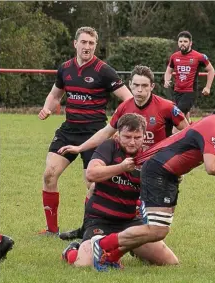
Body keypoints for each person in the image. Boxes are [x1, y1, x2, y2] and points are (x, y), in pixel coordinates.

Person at [88, 89, 215, 270]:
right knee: (157, 230)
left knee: (158, 232)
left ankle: (111, 254)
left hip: (168, 173)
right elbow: (212, 167)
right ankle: (104, 247)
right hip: (158, 171)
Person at [57, 65, 189, 240]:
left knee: (157, 211)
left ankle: (141, 239)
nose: (139, 90)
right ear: (130, 85)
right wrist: (80, 148)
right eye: (136, 85)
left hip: (156, 168)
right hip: (127, 165)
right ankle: (87, 228)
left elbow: (188, 134)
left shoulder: (166, 107)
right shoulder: (124, 107)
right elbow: (106, 132)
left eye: (144, 85)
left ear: (152, 87)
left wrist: (176, 163)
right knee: (94, 188)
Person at [38, 26, 133, 235]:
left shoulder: (104, 71)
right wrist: (47, 107)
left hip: (95, 133)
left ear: (95, 46)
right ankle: (51, 230)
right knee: (49, 175)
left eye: (91, 43)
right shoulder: (65, 68)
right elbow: (55, 95)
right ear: (75, 44)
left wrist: (116, 125)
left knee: (92, 184)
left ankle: (87, 229)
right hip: (69, 130)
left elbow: (128, 99)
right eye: (83, 42)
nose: (87, 47)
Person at [61, 113, 178, 270]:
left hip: (130, 222)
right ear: (118, 135)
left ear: (145, 136)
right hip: (100, 220)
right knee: (84, 265)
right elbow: (91, 174)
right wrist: (121, 167)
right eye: (127, 136)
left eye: (137, 137)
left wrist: (170, 178)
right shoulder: (109, 147)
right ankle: (72, 250)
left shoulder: (148, 158)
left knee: (170, 262)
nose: (132, 142)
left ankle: (133, 249)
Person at [164, 30, 215, 124]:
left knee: (176, 116)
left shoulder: (199, 57)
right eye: (180, 41)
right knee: (183, 115)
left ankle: (175, 136)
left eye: (185, 41)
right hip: (177, 91)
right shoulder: (174, 57)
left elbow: (211, 70)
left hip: (190, 92)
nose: (182, 44)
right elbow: (168, 71)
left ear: (190, 43)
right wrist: (166, 80)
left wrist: (208, 87)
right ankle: (190, 127)